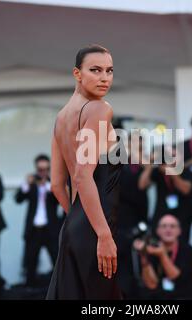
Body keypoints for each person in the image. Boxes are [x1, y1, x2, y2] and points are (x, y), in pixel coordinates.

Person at [46, 44, 122, 299]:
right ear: (77, 74)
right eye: (95, 70)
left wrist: (77, 221)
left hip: (74, 226)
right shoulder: (100, 109)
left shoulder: (60, 117)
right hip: (96, 229)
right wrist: (101, 233)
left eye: (109, 71)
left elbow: (57, 185)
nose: (104, 78)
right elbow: (81, 175)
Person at [15, 154, 64, 287]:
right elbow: (18, 199)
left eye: (45, 169)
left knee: (57, 260)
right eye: (40, 169)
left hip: (50, 230)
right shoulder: (31, 184)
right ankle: (30, 289)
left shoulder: (54, 183)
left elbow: (61, 200)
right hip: (33, 229)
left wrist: (49, 185)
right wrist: (27, 183)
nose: (42, 173)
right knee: (30, 262)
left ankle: (60, 289)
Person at [116, 133, 149, 299]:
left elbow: (145, 185)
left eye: (141, 147)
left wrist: (149, 166)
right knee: (125, 265)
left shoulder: (143, 165)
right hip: (122, 222)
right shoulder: (119, 166)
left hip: (140, 219)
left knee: (141, 261)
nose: (138, 150)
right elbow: (138, 188)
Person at [133, 214, 192, 299]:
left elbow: (176, 277)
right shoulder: (152, 248)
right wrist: (144, 257)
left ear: (179, 231)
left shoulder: (187, 250)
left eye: (172, 226)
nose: (168, 229)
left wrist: (162, 254)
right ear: (157, 230)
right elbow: (151, 284)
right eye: (164, 226)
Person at [139, 144, 192, 243]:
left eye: (173, 155)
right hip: (161, 215)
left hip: (181, 216)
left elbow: (185, 189)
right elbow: (142, 185)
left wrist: (171, 172)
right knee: (156, 242)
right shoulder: (158, 171)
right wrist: (150, 163)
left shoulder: (185, 170)